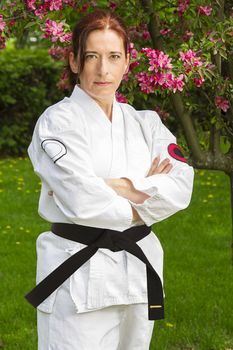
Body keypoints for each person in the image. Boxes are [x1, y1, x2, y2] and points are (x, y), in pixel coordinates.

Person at [25, 9, 194, 350]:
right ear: (74, 61)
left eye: (114, 56)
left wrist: (120, 187)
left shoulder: (146, 123)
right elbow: (82, 199)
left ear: (127, 63)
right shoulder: (57, 123)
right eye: (92, 57)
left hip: (137, 269)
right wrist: (146, 196)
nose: (103, 69)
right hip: (78, 274)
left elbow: (181, 185)